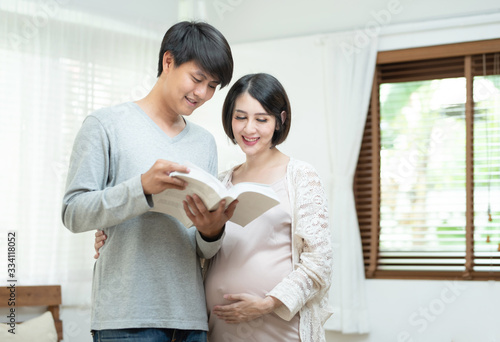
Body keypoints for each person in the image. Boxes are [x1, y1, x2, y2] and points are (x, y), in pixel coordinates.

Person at [96, 73, 334, 341]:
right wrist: (117, 236)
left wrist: (268, 303)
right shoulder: (218, 182)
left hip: (280, 328)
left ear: (280, 120)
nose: (249, 129)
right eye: (240, 117)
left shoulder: (301, 177)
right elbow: (193, 244)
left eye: (261, 119)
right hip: (219, 328)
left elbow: (319, 262)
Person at [62, 21, 236, 342]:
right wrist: (140, 187)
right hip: (125, 318)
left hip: (190, 319)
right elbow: (73, 213)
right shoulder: (105, 125)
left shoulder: (205, 143)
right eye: (197, 79)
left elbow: (201, 248)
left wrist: (212, 230)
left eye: (212, 86)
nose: (203, 94)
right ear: (168, 62)